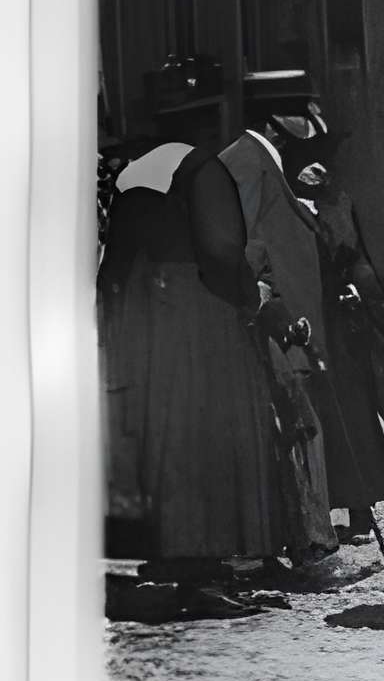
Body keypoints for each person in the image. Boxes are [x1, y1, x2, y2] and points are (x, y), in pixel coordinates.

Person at [101, 57, 302, 619]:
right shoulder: (203, 170)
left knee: (161, 439)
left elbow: (114, 258)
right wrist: (252, 295)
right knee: (213, 436)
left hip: (143, 316)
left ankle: (165, 557)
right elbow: (219, 250)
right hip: (199, 316)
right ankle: (205, 569)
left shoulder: (133, 171)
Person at [219, 70, 373, 591]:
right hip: (274, 321)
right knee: (299, 429)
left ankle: (283, 548)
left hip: (290, 320)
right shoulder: (246, 160)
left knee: (295, 428)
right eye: (296, 112)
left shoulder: (269, 160)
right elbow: (241, 244)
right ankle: (312, 552)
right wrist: (271, 306)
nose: (306, 123)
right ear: (271, 118)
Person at [284, 109, 384, 552]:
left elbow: (360, 256)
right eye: (309, 159)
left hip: (344, 325)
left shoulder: (338, 203)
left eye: (325, 159)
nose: (320, 168)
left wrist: (360, 288)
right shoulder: (285, 209)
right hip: (307, 321)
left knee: (356, 414)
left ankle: (362, 506)